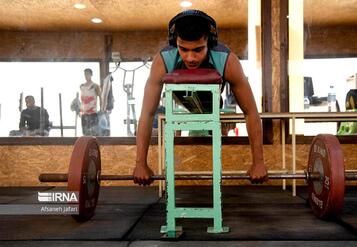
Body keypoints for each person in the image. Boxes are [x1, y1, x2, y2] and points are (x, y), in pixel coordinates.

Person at [133, 10, 267, 185]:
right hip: (181, 100)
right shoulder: (163, 60)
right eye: (184, 49)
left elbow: (250, 112)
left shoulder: (227, 60)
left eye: (198, 50)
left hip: (212, 102)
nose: (190, 57)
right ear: (176, 43)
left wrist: (258, 162)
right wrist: (140, 163)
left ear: (209, 43)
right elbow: (147, 113)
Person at [79, 68, 102, 136]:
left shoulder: (95, 86)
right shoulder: (82, 86)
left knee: (94, 134)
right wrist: (80, 110)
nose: (86, 75)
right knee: (85, 134)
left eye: (88, 74)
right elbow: (82, 99)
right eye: (85, 74)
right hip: (84, 113)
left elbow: (100, 97)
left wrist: (101, 109)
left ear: (91, 75)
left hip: (93, 113)